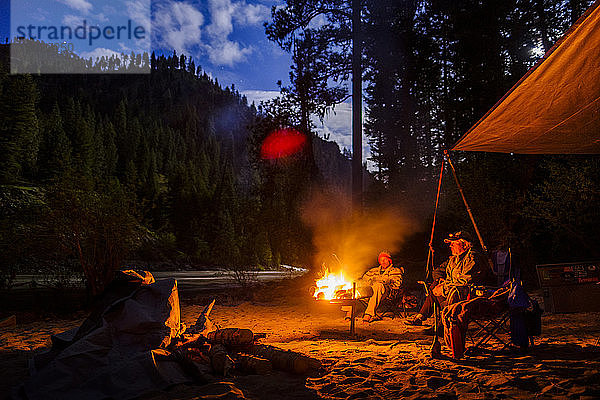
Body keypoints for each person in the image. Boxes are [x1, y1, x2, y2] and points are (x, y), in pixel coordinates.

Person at [405, 231, 491, 327]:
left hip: (470, 295)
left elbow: (466, 280)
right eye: (450, 243)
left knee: (445, 291)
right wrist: (441, 283)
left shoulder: (473, 258)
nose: (450, 246)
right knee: (435, 286)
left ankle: (441, 325)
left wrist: (443, 287)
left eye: (454, 243)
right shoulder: (454, 259)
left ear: (465, 245)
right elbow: (447, 276)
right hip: (456, 292)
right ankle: (430, 320)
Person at [358, 251, 404, 323]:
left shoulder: (395, 270)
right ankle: (349, 313)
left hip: (387, 293)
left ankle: (368, 314)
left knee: (378, 285)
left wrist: (384, 280)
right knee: (355, 287)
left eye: (385, 259)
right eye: (381, 260)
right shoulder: (373, 271)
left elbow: (397, 284)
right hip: (370, 292)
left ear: (389, 260)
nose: (383, 261)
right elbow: (364, 280)